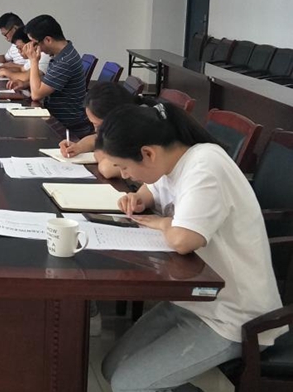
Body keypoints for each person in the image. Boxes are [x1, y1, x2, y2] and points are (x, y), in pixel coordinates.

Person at [95, 100, 285, 392]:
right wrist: (137, 200)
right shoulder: (170, 160)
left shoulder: (205, 167)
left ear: (148, 153)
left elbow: (183, 240)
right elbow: (150, 191)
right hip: (193, 301)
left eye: (125, 167)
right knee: (111, 368)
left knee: (129, 385)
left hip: (233, 315)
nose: (125, 176)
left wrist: (162, 223)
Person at [9, 14, 92, 136]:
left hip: (66, 128)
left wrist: (33, 60)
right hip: (56, 120)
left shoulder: (65, 61)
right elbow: (48, 83)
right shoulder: (63, 53)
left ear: (48, 40)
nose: (35, 48)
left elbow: (36, 95)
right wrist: (25, 84)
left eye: (35, 43)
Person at [59, 82, 135, 178]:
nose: (96, 130)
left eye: (98, 126)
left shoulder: (136, 133)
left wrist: (100, 154)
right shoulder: (124, 123)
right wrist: (78, 147)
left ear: (116, 118)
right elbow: (96, 138)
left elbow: (107, 169)